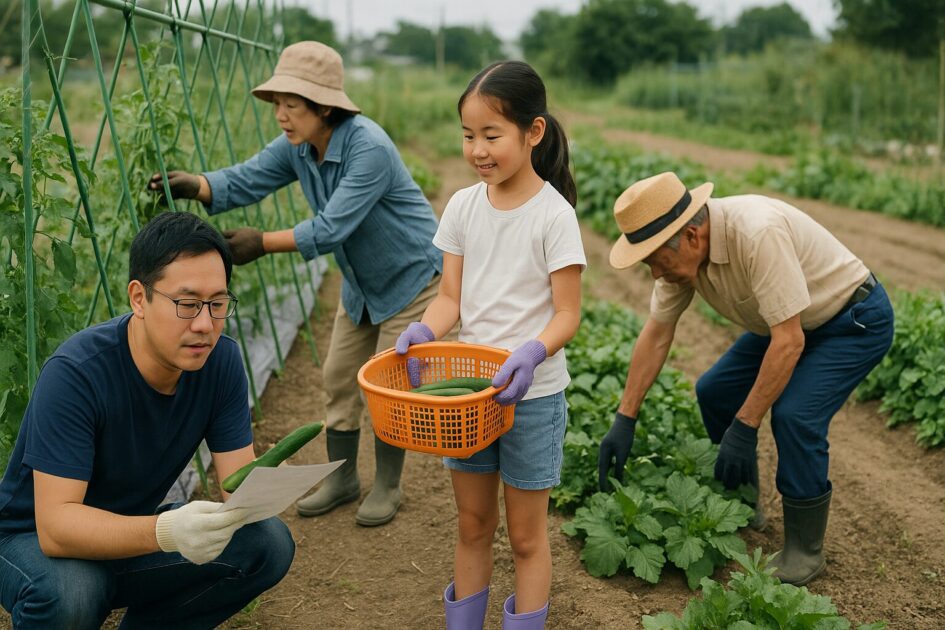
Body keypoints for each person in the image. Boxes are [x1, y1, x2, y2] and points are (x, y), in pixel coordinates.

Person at [148, 41, 443, 527]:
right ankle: (344, 479)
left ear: (323, 106)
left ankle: (388, 484)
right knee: (338, 377)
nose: (280, 115)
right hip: (361, 287)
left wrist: (261, 242)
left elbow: (331, 228)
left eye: (291, 104)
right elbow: (249, 177)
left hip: (411, 282)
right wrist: (196, 184)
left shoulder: (368, 147)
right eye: (277, 104)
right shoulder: (299, 147)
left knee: (387, 389)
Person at [597, 172, 894, 586]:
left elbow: (789, 341)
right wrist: (625, 417)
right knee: (714, 391)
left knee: (795, 416)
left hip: (851, 320)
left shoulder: (757, 232)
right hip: (787, 322)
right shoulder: (681, 256)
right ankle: (742, 501)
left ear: (692, 237)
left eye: (657, 262)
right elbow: (658, 332)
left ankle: (805, 551)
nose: (656, 274)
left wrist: (746, 424)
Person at [0, 212, 295, 628]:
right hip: (32, 540)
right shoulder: (77, 374)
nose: (205, 325)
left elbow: (237, 491)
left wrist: (269, 484)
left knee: (267, 541)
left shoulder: (220, 362)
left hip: (129, 532)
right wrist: (167, 530)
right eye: (187, 305)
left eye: (217, 304)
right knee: (72, 592)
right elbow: (57, 527)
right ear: (139, 298)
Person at [395, 61, 585, 629]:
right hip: (471, 397)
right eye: (468, 135)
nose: (478, 150)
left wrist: (532, 352)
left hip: (533, 397)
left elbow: (568, 313)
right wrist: (426, 329)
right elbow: (450, 296)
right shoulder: (462, 206)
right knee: (473, 525)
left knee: (526, 538)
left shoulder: (554, 216)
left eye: (492, 135)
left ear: (533, 132)